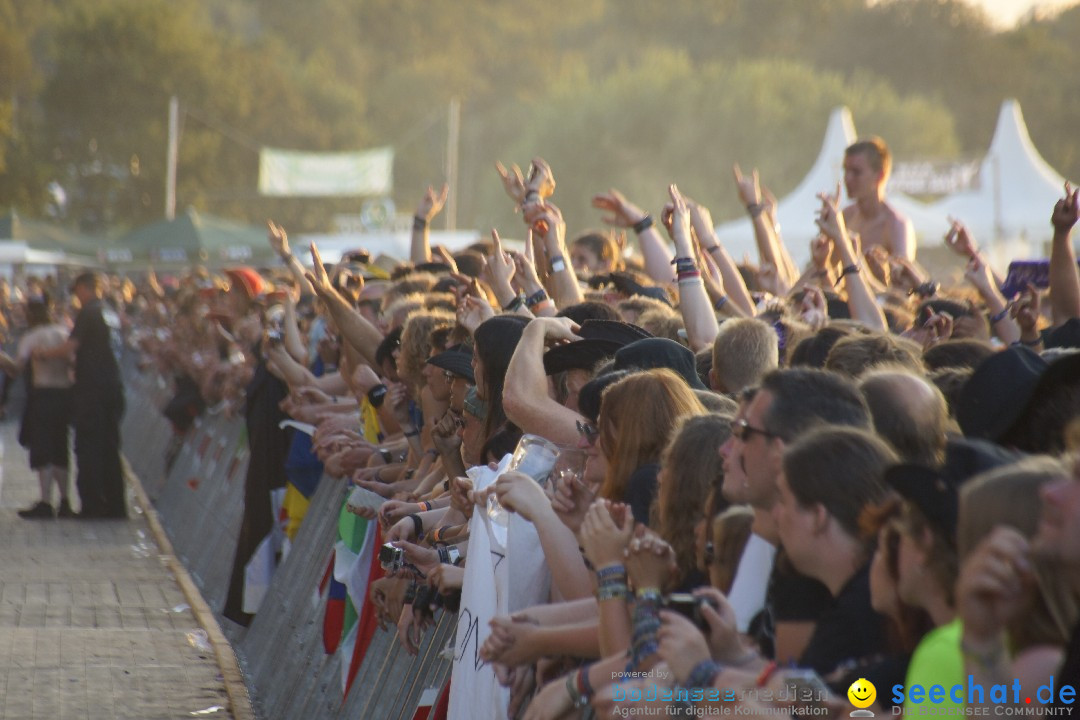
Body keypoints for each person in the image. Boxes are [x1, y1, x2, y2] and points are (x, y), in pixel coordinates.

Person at [37, 272, 125, 519]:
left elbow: (71, 346)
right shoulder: (109, 312)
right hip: (113, 388)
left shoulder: (90, 312)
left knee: (88, 448)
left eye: (77, 291)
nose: (76, 297)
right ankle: (116, 505)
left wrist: (45, 354)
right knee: (110, 448)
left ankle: (93, 506)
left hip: (93, 392)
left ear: (85, 288)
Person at [0, 292, 74, 519]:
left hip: (42, 395)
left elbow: (16, 368)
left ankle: (45, 501)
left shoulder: (32, 337)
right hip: (63, 394)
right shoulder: (63, 333)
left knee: (43, 448)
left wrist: (2, 357)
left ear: (31, 314)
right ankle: (65, 501)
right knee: (61, 447)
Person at [842, 137, 916, 261]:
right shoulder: (845, 217)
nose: (847, 178)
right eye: (846, 170)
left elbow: (905, 276)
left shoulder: (895, 225)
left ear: (879, 175)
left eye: (856, 172)